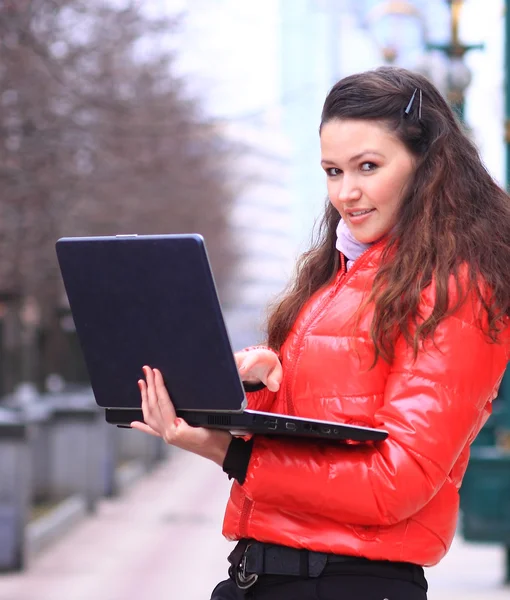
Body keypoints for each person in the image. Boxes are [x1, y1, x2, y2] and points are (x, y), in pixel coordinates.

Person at [131, 66, 510, 600]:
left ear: (429, 165)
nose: (346, 193)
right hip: (267, 573)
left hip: (348, 582)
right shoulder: (343, 272)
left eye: (368, 167)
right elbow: (335, 421)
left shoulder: (456, 286)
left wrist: (232, 454)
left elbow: (397, 480)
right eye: (333, 171)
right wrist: (260, 388)